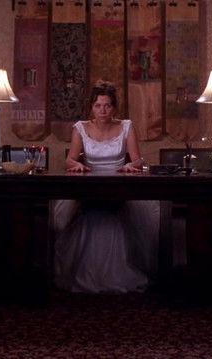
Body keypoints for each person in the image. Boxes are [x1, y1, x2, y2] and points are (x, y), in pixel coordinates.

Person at [51, 81, 160, 293]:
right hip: (90, 185)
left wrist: (130, 166)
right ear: (91, 107)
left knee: (140, 214)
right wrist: (77, 165)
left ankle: (122, 273)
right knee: (79, 213)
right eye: (98, 106)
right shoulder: (80, 128)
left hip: (119, 184)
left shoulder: (126, 126)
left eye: (107, 105)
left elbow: (138, 160)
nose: (103, 110)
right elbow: (69, 160)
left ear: (114, 108)